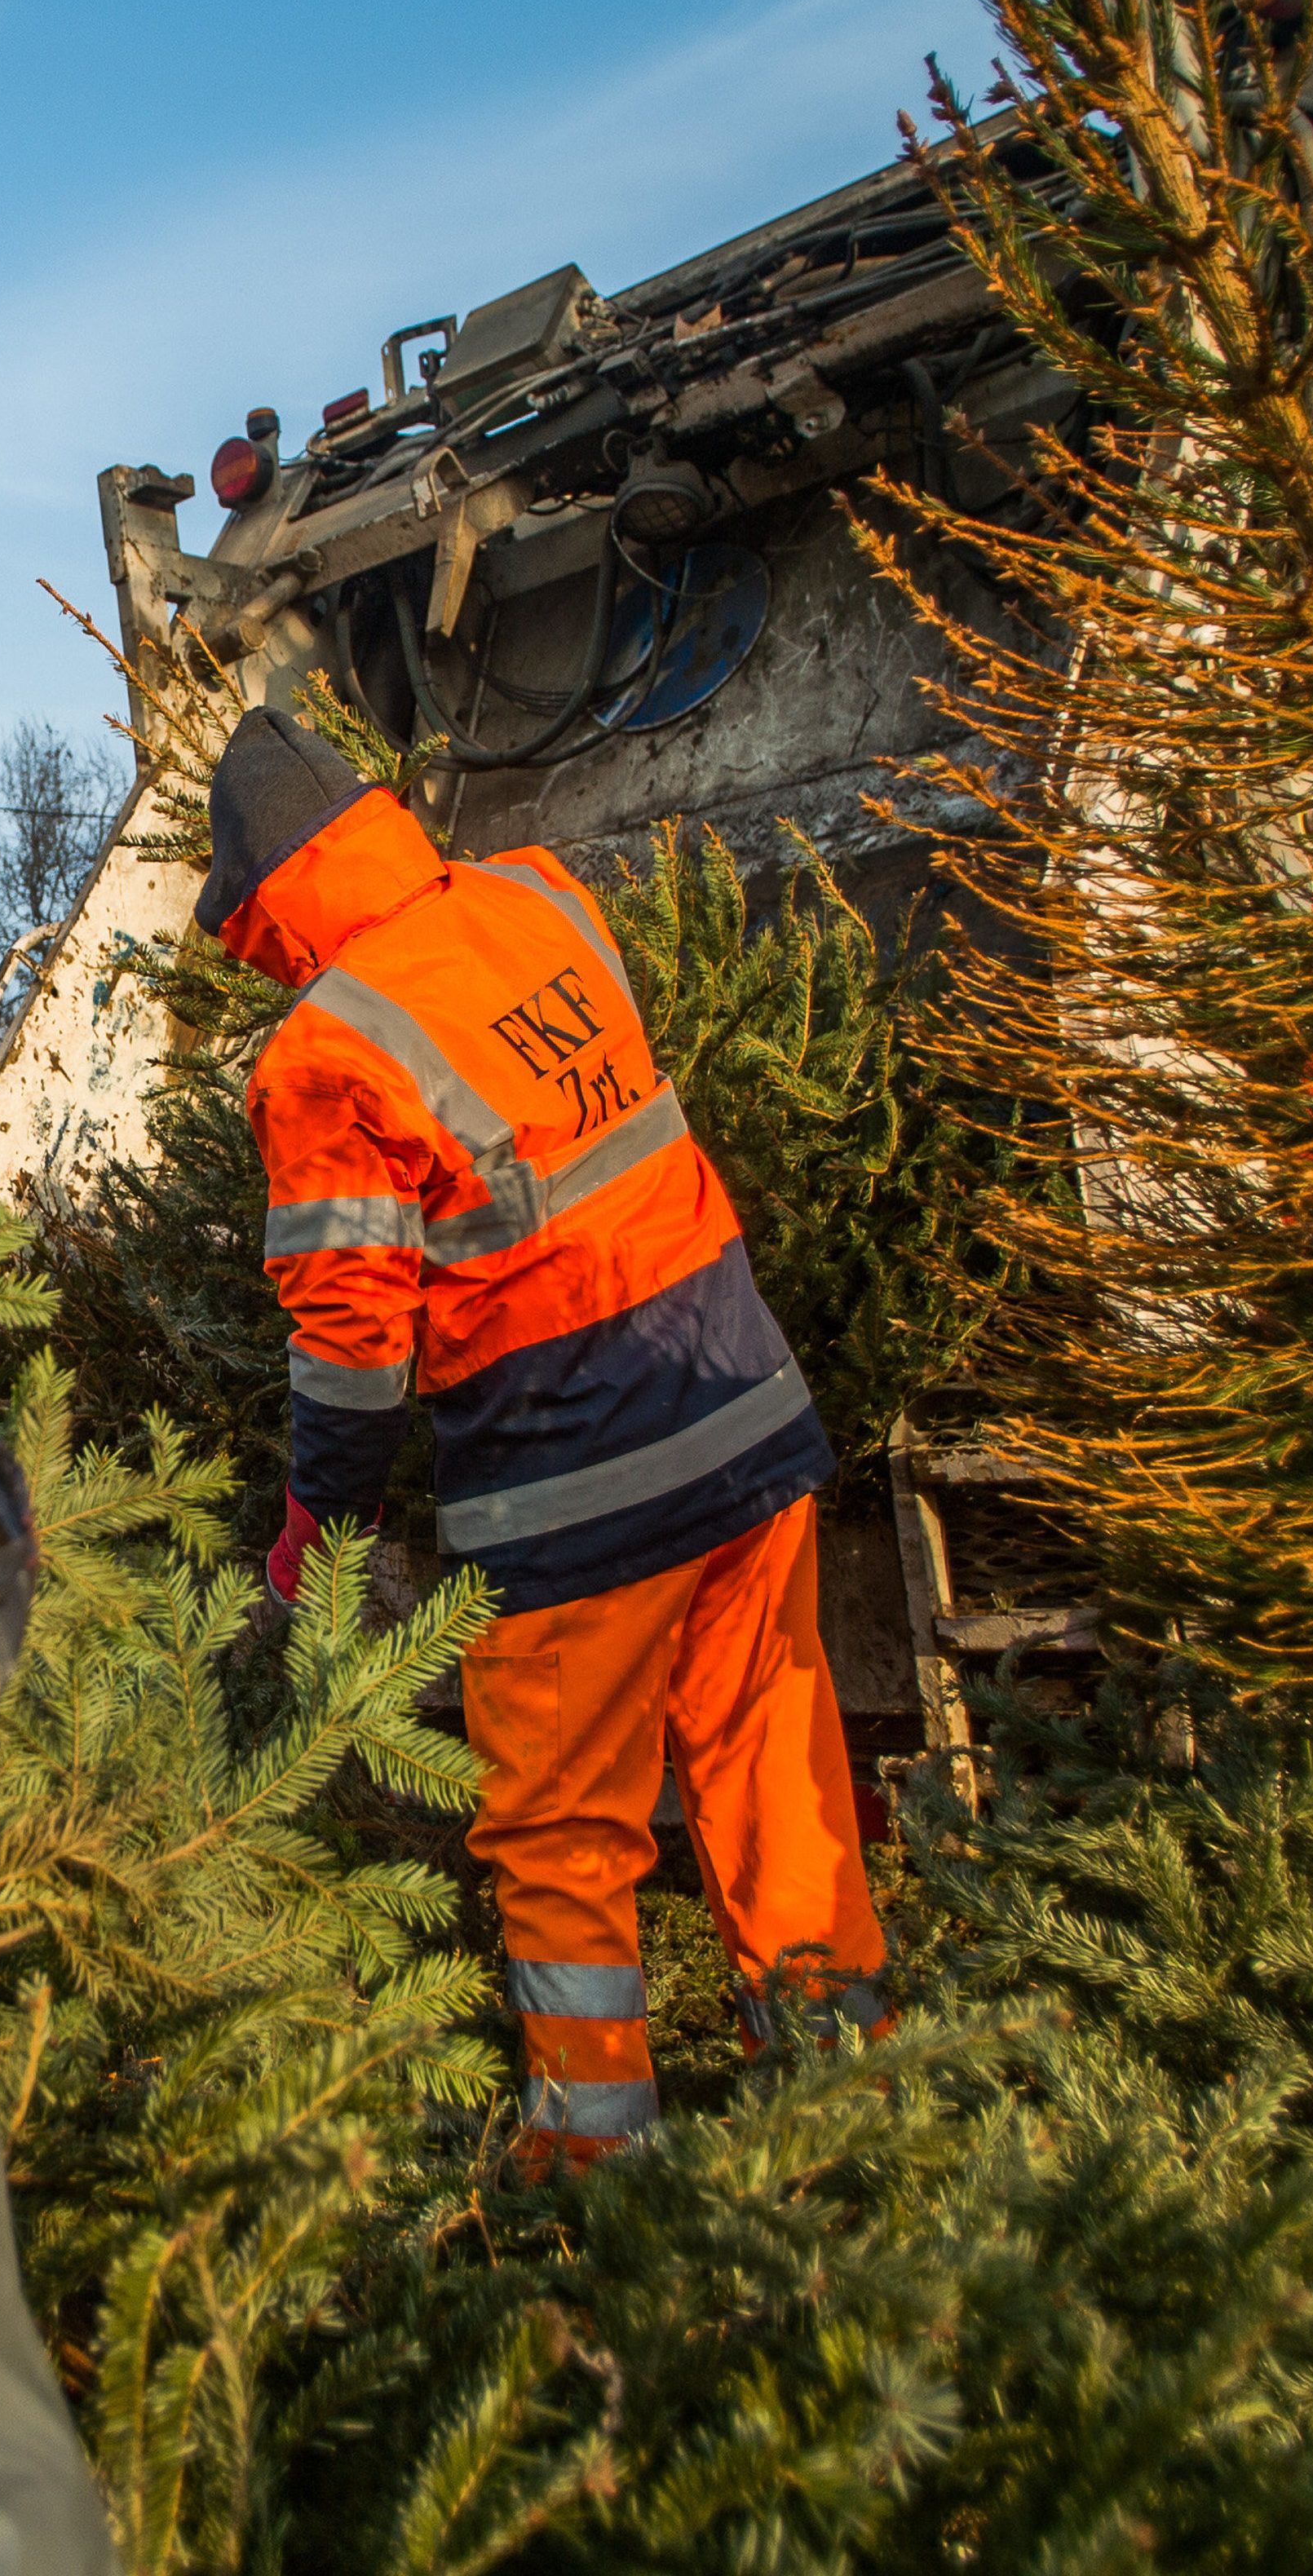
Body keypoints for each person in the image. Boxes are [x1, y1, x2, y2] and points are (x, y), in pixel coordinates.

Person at [198, 704, 882, 2176]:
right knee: (769, 1759)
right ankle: (846, 2107)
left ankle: (595, 2165)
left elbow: (351, 1345)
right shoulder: (537, 895)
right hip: (745, 1412)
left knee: (563, 1835)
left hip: (575, 1482)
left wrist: (320, 1529)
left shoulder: (323, 1057)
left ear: (266, 901)